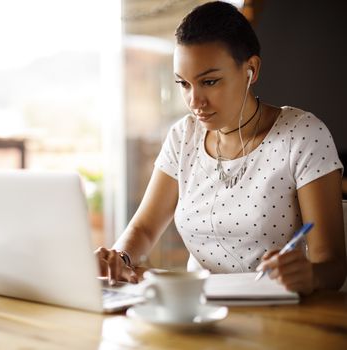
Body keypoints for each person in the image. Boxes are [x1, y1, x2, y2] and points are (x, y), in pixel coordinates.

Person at [95, 1, 346, 295]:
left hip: (277, 316)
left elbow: (333, 265)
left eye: (209, 81)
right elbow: (144, 229)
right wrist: (119, 258)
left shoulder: (301, 135)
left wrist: (311, 275)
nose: (194, 101)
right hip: (197, 309)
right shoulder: (182, 136)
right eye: (184, 84)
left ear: (251, 70)